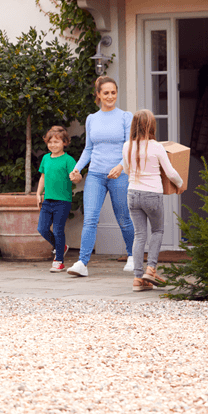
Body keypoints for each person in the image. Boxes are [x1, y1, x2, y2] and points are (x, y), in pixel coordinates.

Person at [67, 76, 135, 277]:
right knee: (90, 219)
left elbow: (130, 147)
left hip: (118, 174)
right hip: (95, 174)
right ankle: (82, 263)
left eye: (113, 92)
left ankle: (133, 256)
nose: (110, 96)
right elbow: (89, 148)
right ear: (98, 95)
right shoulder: (91, 119)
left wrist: (121, 166)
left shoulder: (125, 117)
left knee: (123, 218)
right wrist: (77, 168)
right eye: (106, 93)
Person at [122, 109, 184, 292]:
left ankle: (137, 278)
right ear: (151, 126)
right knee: (157, 231)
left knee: (139, 235)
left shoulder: (127, 146)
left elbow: (126, 170)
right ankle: (151, 269)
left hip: (132, 193)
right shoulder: (156, 147)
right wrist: (180, 185)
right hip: (152, 194)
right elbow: (171, 172)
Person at [36, 126, 77, 273]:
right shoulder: (46, 158)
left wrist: (76, 177)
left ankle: (59, 261)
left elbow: (76, 177)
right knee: (42, 228)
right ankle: (62, 247)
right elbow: (43, 177)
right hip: (47, 200)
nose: (53, 145)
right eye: (50, 142)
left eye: (57, 142)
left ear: (64, 143)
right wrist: (38, 193)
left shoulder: (68, 160)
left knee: (59, 230)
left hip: (63, 201)